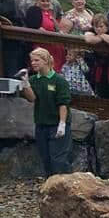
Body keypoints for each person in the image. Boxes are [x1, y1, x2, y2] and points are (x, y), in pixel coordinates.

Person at [16, 48, 71, 177]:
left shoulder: (59, 80)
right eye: (32, 60)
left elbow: (63, 103)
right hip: (41, 123)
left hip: (57, 123)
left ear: (45, 61)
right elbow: (32, 98)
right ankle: (50, 187)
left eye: (37, 60)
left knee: (58, 159)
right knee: (45, 158)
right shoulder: (34, 79)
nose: (33, 63)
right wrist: (25, 83)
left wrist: (62, 124)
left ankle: (63, 188)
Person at [24, 0, 66, 71]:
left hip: (55, 48)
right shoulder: (34, 11)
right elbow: (34, 26)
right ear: (37, 1)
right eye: (43, 1)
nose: (45, 3)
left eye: (48, 1)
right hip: (42, 48)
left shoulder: (50, 13)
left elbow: (57, 28)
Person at [83, 14, 109, 99]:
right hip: (99, 65)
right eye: (96, 27)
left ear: (107, 26)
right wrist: (101, 36)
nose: (98, 29)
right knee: (100, 87)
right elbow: (89, 39)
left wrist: (102, 35)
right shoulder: (91, 31)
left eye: (101, 26)